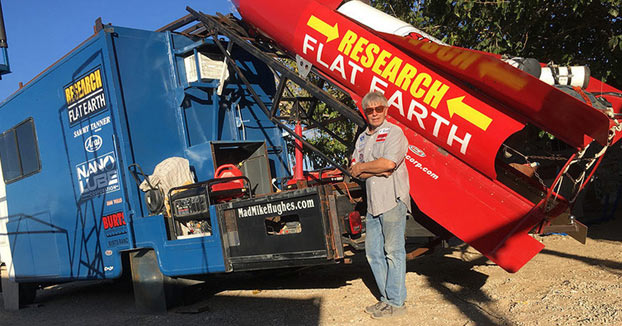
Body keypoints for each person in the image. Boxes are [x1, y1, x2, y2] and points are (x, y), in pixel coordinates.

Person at [349, 91, 410, 319]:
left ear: (386, 110)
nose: (374, 113)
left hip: (392, 199)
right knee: (373, 253)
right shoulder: (363, 138)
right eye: (370, 110)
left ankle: (396, 302)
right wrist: (372, 168)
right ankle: (386, 299)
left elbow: (389, 163)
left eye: (379, 109)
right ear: (365, 113)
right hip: (373, 203)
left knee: (393, 252)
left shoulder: (395, 132)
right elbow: (355, 168)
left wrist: (369, 167)